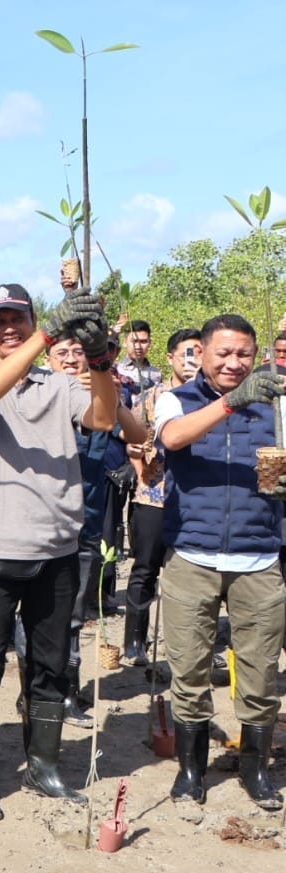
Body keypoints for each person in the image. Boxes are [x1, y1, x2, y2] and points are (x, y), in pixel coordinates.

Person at [0, 284, 119, 822]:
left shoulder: (60, 383)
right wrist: (48, 334)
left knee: (48, 669)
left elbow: (102, 418)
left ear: (30, 319)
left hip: (58, 551)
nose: (8, 328)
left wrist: (98, 360)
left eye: (18, 319)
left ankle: (43, 767)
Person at [155, 314, 286, 809]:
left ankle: (255, 770)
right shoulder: (177, 399)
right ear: (201, 354)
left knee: (260, 672)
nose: (234, 363)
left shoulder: (278, 406)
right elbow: (171, 439)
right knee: (188, 669)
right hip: (192, 555)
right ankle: (191, 772)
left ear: (256, 355)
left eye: (244, 355)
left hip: (260, 557)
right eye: (223, 354)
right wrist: (233, 403)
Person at [42, 338, 146, 726]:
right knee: (35, 617)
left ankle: (67, 692)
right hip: (39, 526)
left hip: (84, 523)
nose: (71, 360)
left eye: (78, 352)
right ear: (47, 359)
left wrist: (111, 398)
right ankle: (36, 692)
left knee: (73, 616)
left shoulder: (101, 398)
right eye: (61, 353)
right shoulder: (36, 395)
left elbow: (137, 436)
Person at [124, 329, 201, 667]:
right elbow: (131, 436)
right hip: (153, 496)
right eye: (187, 353)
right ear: (170, 357)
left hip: (195, 498)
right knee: (145, 569)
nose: (192, 360)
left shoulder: (208, 399)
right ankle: (134, 641)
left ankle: (192, 643)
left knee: (193, 573)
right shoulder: (151, 396)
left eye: (199, 353)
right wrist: (137, 458)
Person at [117, 320, 162, 409]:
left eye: (143, 342)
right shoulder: (116, 369)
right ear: (125, 342)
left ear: (149, 343)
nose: (138, 346)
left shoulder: (156, 373)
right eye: (134, 341)